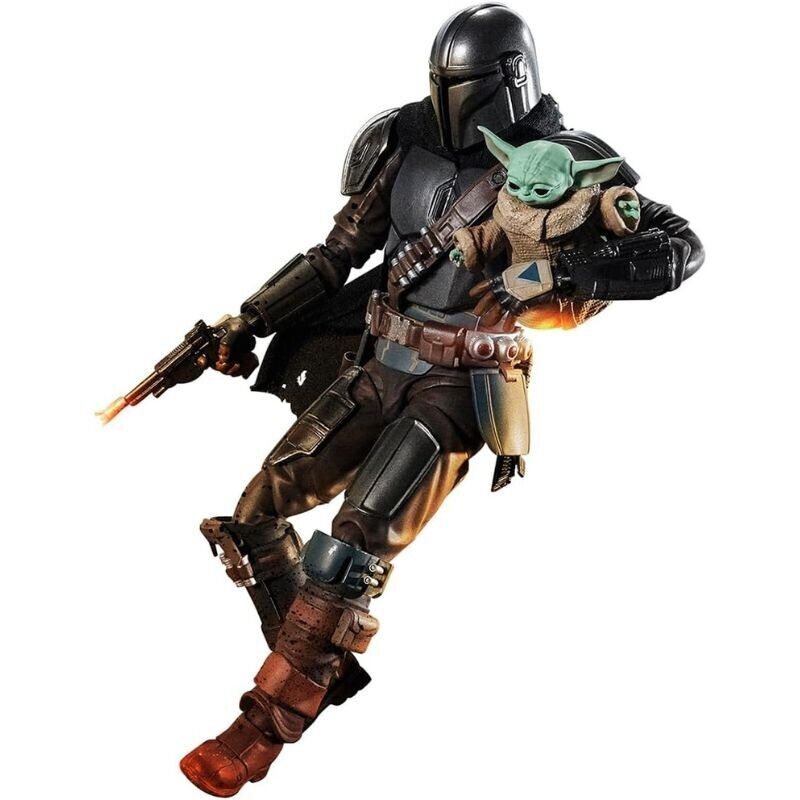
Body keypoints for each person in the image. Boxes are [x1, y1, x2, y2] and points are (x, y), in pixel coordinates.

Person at [179, 5, 704, 796]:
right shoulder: (404, 139)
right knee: (256, 514)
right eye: (444, 82)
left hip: (460, 381)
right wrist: (248, 320)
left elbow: (680, 248)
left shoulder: (569, 164)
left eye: (468, 83)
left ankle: (263, 727)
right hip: (376, 361)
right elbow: (336, 255)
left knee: (350, 548)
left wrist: (560, 273)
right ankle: (317, 663)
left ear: (510, 79)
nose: (452, 98)